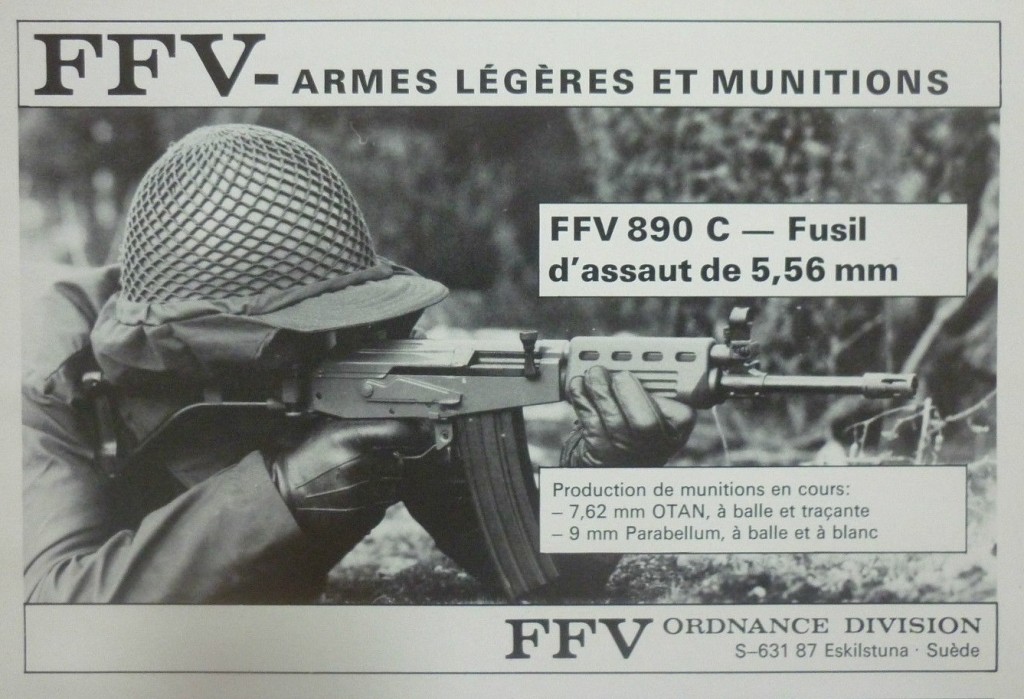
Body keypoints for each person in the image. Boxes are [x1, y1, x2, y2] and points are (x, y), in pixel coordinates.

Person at [22, 124, 694, 603]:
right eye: (300, 335)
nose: (340, 345)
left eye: (344, 322)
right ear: (219, 349)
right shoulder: (43, 376)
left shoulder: (364, 350)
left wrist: (607, 472)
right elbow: (50, 607)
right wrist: (285, 495)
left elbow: (542, 576)